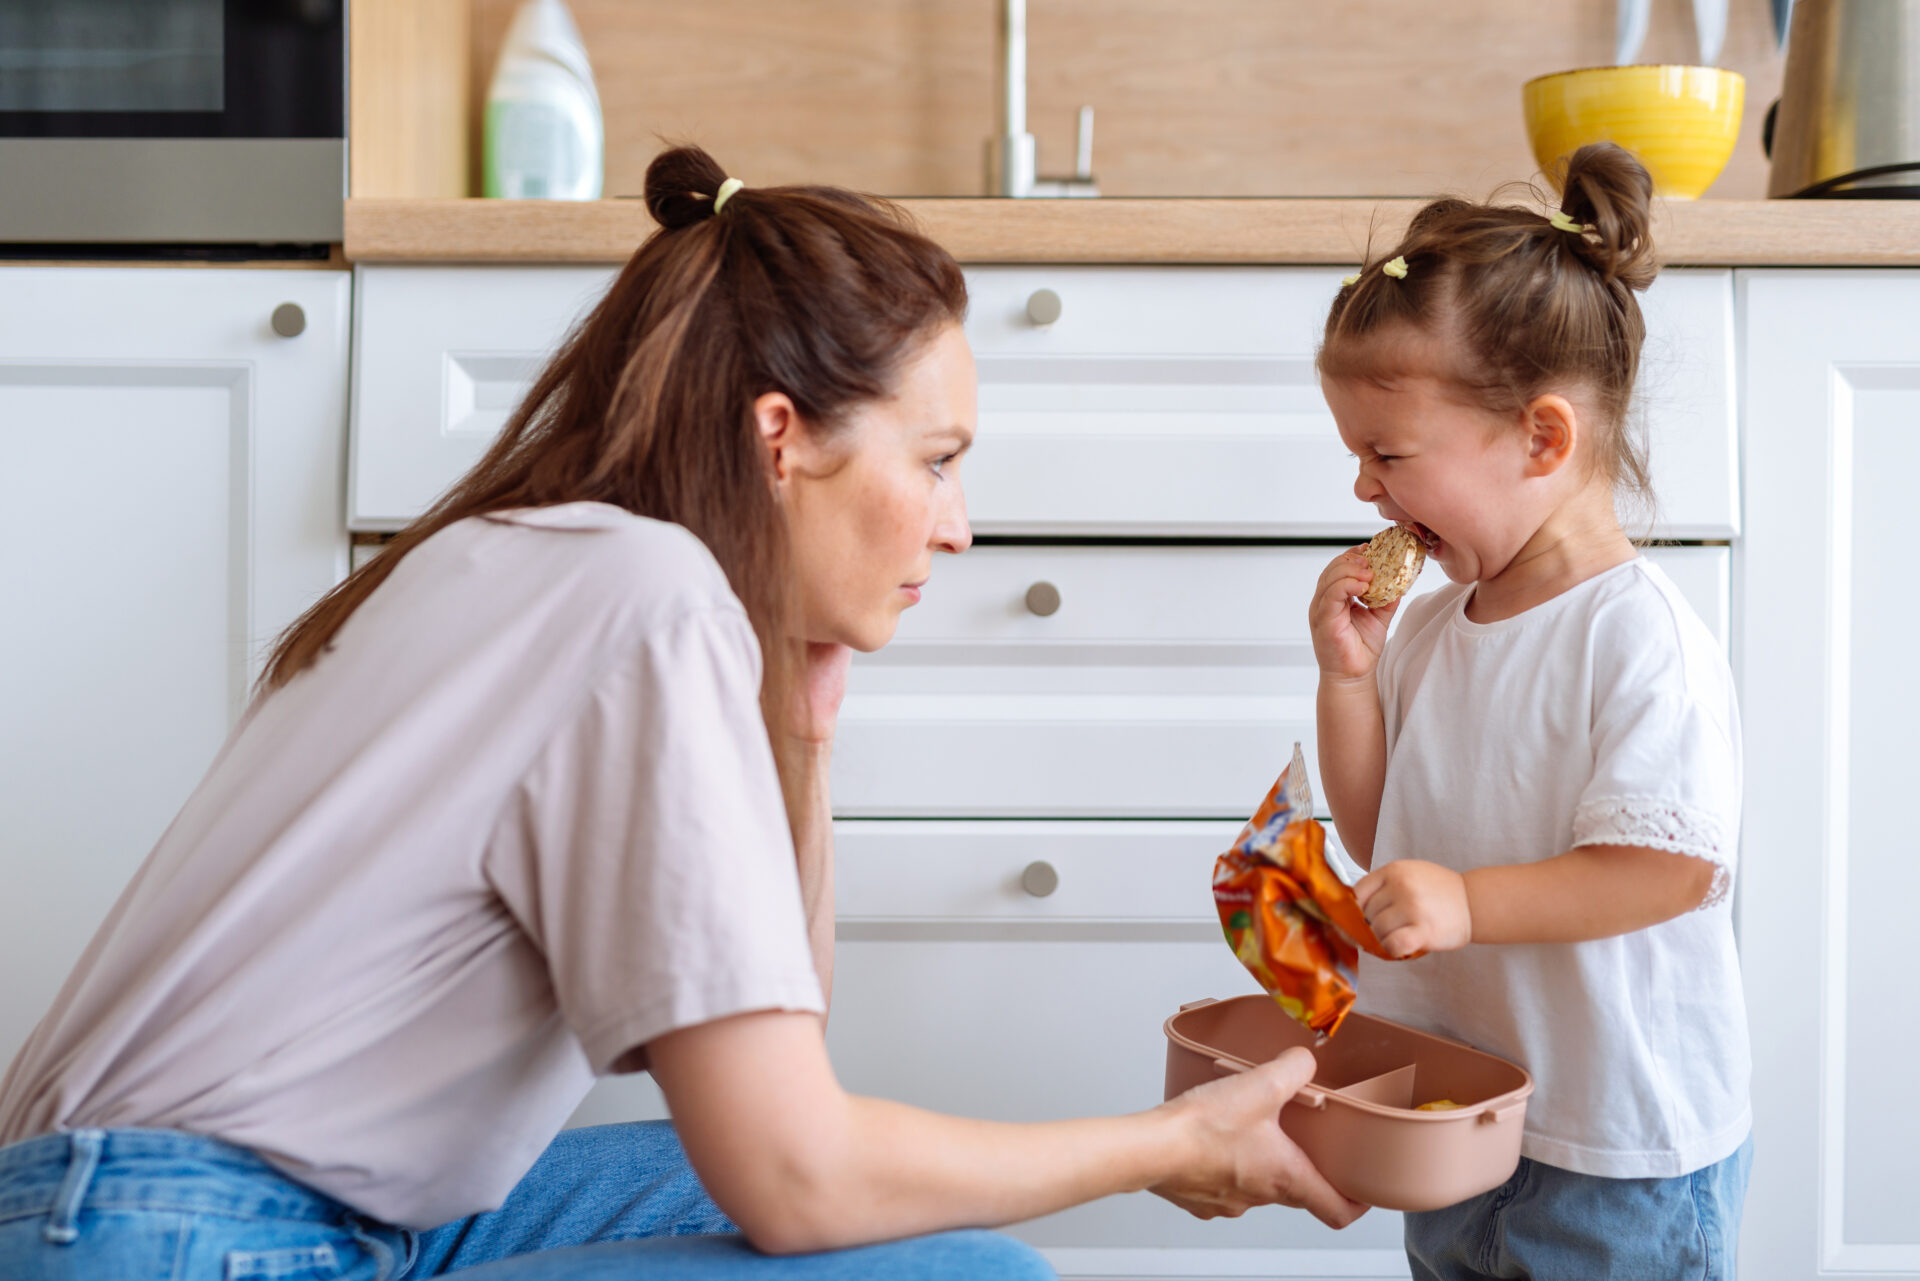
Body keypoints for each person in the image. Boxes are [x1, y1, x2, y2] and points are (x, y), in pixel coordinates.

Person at [0, 146, 1365, 1281]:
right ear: (784, 438)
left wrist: (804, 737)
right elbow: (796, 1179)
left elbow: (774, 1058)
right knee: (967, 1273)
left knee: (731, 1177)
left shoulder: (545, 559)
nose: (958, 527)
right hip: (180, 1240)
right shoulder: (641, 592)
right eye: (937, 461)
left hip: (190, 1210)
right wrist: (1169, 1143)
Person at [1307, 141, 1752, 1281]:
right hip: (1462, 1114)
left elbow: (1666, 869)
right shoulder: (1438, 627)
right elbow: (1378, 835)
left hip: (1616, 1151)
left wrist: (1465, 901)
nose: (1365, 490)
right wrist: (1350, 677)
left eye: (1388, 453)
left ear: (1541, 439)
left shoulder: (1636, 635)